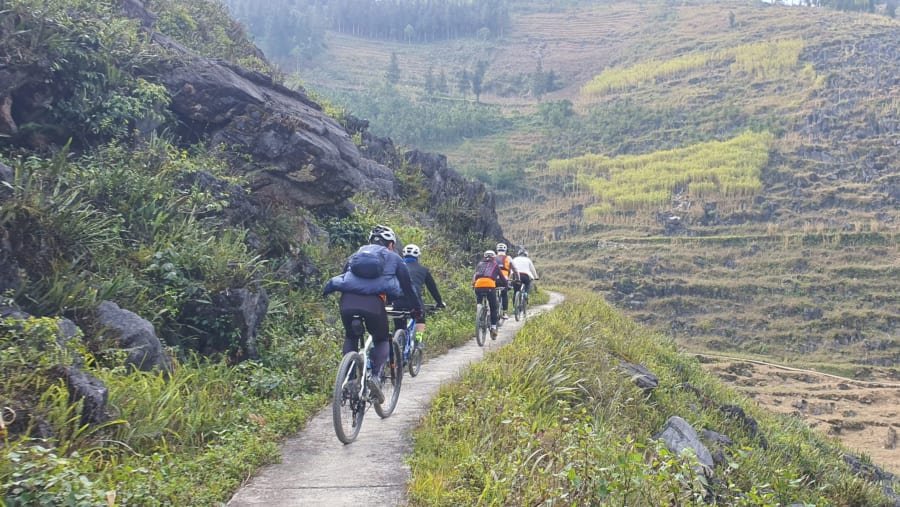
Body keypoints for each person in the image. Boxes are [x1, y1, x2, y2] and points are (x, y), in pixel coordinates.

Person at [323, 225, 422, 403]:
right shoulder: (394, 258)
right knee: (382, 339)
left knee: (351, 337)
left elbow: (345, 274)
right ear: (391, 244)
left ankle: (350, 378)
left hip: (347, 302)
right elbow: (407, 288)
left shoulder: (356, 255)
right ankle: (375, 377)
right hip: (373, 304)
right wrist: (416, 310)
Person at [392, 244, 446, 344]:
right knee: (420, 319)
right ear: (417, 256)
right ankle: (418, 341)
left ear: (403, 255)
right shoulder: (423, 270)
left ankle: (397, 346)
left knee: (398, 325)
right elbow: (432, 288)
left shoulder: (396, 268)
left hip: (397, 301)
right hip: (414, 301)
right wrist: (439, 302)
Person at [473, 250, 506, 338]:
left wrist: (474, 285)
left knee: (479, 303)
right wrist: (506, 285)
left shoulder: (479, 264)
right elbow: (502, 278)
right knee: (493, 308)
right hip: (490, 286)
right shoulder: (495, 265)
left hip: (478, 286)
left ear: (484, 257)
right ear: (494, 258)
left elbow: (475, 276)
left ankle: (479, 315)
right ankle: (493, 327)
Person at [494, 243, 517, 320]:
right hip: (504, 279)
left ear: (497, 250)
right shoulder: (508, 258)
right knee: (504, 295)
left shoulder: (493, 257)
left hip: (493, 279)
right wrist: (517, 278)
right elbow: (514, 270)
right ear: (505, 250)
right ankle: (504, 313)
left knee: (492, 294)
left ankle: (491, 311)